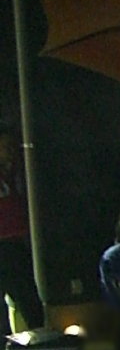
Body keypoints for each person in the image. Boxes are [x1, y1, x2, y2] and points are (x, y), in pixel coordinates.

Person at [0, 125, 43, 332]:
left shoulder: (15, 172)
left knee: (27, 296)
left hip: (15, 242)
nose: (10, 151)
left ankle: (38, 337)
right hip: (5, 242)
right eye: (5, 147)